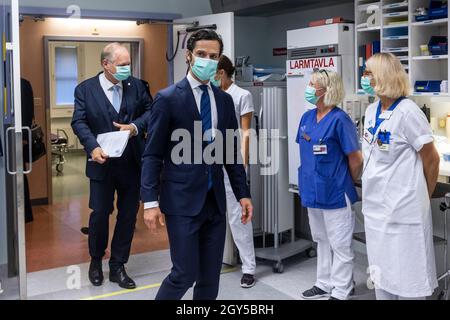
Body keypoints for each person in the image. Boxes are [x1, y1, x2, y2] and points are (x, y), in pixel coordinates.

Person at [141, 29, 253, 300]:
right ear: (189, 56)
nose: (207, 60)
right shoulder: (168, 98)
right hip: (182, 201)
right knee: (184, 274)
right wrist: (150, 202)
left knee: (209, 277)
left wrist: (243, 193)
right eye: (202, 54)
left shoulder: (224, 101)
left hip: (214, 203)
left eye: (213, 56)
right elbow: (152, 154)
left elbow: (229, 154)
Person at [71, 42, 153, 290]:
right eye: (122, 64)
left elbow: (152, 112)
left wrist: (135, 127)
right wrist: (92, 147)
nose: (128, 68)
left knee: (127, 216)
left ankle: (118, 266)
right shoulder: (85, 90)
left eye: (129, 63)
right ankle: (96, 261)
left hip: (131, 163)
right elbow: (79, 121)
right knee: (100, 214)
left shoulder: (137, 86)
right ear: (106, 64)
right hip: (101, 164)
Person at [361, 53, 440, 300]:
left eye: (368, 73)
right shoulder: (372, 110)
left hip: (403, 212)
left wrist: (422, 198)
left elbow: (432, 158)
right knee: (382, 277)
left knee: (408, 280)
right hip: (376, 210)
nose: (364, 77)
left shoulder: (408, 112)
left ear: (383, 76)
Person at [297, 70, 363, 300]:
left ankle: (342, 290)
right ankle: (323, 283)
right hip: (312, 191)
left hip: (335, 191)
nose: (308, 87)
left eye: (312, 84)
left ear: (326, 90)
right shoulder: (306, 118)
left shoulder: (340, 120)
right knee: (321, 239)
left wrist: (344, 180)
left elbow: (356, 159)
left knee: (340, 244)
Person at [211, 55, 257, 288]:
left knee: (238, 218)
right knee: (213, 212)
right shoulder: (210, 94)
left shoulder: (241, 95)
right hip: (211, 161)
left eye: (214, 71)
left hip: (233, 161)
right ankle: (216, 259)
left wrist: (243, 164)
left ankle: (248, 267)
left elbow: (245, 132)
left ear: (222, 73)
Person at [21, 78, 35, 223]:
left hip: (18, 138)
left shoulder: (22, 84)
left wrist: (23, 138)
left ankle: (25, 214)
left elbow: (27, 113)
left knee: (20, 176)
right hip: (16, 137)